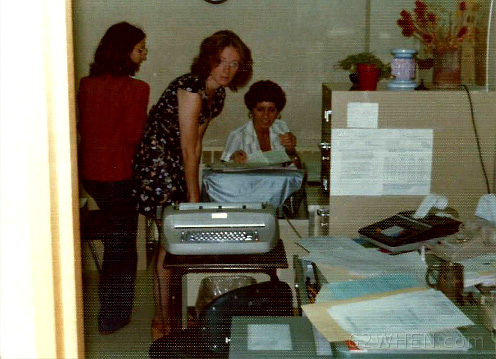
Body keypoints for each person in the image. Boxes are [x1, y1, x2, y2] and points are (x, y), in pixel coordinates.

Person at [133, 30, 253, 339]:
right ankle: (161, 319)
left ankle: (171, 313)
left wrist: (193, 193)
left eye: (235, 64)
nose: (226, 70)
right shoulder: (190, 87)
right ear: (208, 60)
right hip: (158, 165)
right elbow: (187, 148)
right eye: (221, 61)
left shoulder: (218, 94)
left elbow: (197, 145)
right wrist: (194, 200)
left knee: (174, 241)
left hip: (178, 161)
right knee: (168, 242)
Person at [78, 22, 149, 334]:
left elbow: (83, 128)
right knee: (122, 249)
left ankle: (109, 311)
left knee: (113, 244)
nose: (144, 55)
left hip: (90, 175)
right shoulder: (137, 89)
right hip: (120, 175)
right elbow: (134, 136)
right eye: (140, 49)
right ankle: (113, 317)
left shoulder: (85, 84)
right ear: (124, 52)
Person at [220, 80, 300, 167]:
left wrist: (291, 151)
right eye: (260, 109)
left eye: (272, 110)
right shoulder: (237, 136)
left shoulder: (282, 128)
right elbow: (222, 172)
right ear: (251, 110)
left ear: (278, 112)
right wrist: (233, 160)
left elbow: (297, 170)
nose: (266, 115)